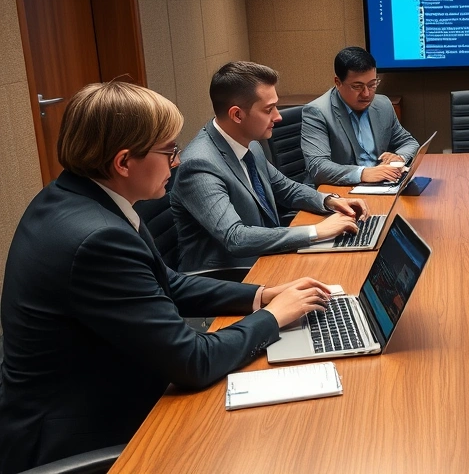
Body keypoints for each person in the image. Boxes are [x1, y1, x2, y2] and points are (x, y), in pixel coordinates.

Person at [0, 81, 333, 472]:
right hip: (82, 431)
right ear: (124, 163)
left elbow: (168, 282)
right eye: (169, 151)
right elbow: (192, 361)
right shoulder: (97, 239)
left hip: (102, 385)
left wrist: (262, 294)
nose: (177, 162)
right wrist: (275, 317)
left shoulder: (74, 197)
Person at [172, 61, 367, 272]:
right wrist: (317, 232)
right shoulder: (199, 164)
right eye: (268, 109)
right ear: (237, 115)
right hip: (232, 277)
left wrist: (330, 201)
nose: (278, 116)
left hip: (268, 257)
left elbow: (285, 188)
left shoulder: (250, 143)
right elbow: (236, 238)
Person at [301, 46, 419, 185]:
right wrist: (363, 173)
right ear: (338, 82)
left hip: (380, 184)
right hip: (340, 190)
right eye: (357, 86)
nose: (366, 94)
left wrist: (399, 158)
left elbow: (409, 142)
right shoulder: (317, 112)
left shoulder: (383, 104)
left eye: (372, 84)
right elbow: (317, 167)